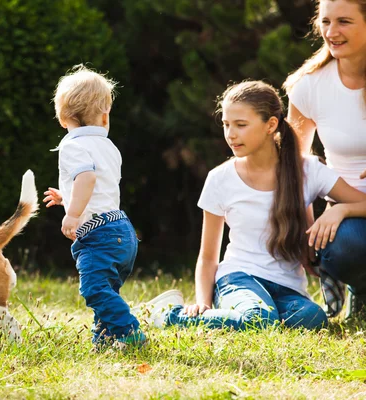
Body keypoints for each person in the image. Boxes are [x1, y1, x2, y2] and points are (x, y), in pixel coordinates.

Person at [138, 81, 366, 331]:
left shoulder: (308, 170)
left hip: (288, 287)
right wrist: (203, 303)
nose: (230, 134)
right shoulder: (220, 178)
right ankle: (169, 315)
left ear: (271, 125)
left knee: (313, 320)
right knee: (259, 317)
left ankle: (250, 320)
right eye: (226, 125)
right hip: (238, 277)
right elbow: (207, 256)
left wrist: (340, 209)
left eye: (241, 125)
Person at [43, 64, 145, 349]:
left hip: (98, 234)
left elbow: (87, 178)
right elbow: (100, 186)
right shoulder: (109, 147)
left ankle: (129, 332)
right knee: (107, 288)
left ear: (63, 118)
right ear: (104, 116)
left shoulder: (72, 146)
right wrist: (67, 196)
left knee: (94, 289)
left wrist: (72, 213)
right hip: (122, 231)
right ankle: (104, 339)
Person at [284, 0, 366, 319]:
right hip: (352, 224)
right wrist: (306, 233)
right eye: (326, 21)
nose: (332, 32)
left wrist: (344, 208)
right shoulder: (309, 86)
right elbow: (296, 170)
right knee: (341, 245)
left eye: (344, 21)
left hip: (348, 210)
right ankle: (361, 289)